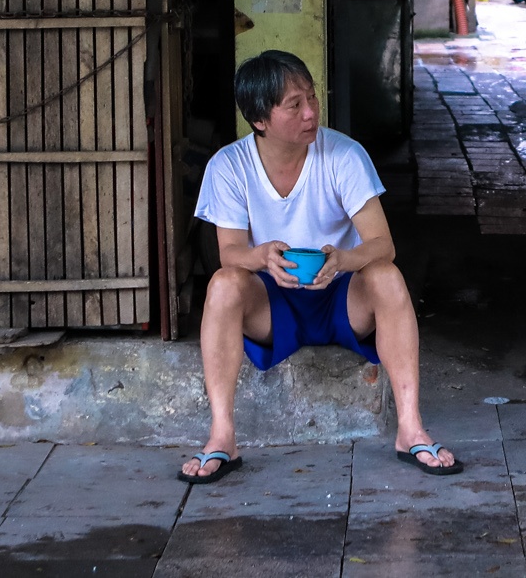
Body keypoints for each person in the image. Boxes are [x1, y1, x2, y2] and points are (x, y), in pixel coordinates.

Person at [178, 49, 461, 483]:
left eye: (312, 97)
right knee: (222, 285)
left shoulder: (344, 156)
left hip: (342, 296)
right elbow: (229, 251)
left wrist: (344, 259)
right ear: (259, 119)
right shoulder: (229, 167)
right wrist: (262, 258)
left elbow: (383, 244)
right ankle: (222, 436)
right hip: (272, 303)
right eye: (294, 105)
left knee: (387, 276)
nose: (311, 113)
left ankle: (410, 428)